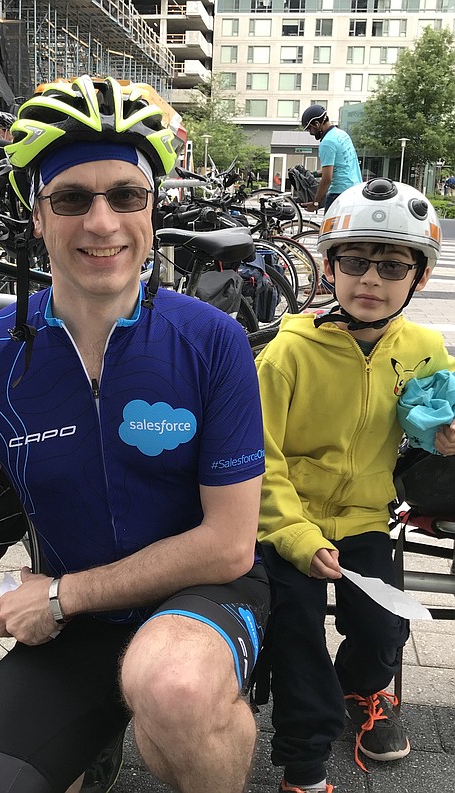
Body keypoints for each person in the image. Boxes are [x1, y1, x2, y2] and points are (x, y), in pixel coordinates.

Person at [0, 74, 270, 793]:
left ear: (153, 207)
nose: (102, 222)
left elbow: (230, 541)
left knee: (171, 687)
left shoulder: (212, 341)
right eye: (72, 198)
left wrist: (63, 596)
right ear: (37, 216)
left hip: (202, 600)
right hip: (76, 624)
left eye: (125, 195)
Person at [254, 177, 455, 793]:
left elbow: (431, 411)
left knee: (383, 625)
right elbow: (258, 458)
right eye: (356, 261)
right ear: (330, 266)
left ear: (417, 278)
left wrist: (441, 437)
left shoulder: (423, 346)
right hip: (288, 523)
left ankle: (363, 693)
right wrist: (293, 533)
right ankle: (303, 756)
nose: (372, 279)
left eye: (394, 266)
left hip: (368, 516)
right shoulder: (288, 353)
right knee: (295, 626)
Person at [299, 104, 362, 213]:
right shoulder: (342, 134)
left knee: (329, 230)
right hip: (355, 191)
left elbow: (327, 178)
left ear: (317, 124)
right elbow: (340, 166)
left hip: (339, 195)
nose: (310, 132)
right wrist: (313, 173)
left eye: (310, 128)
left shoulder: (327, 143)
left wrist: (316, 203)